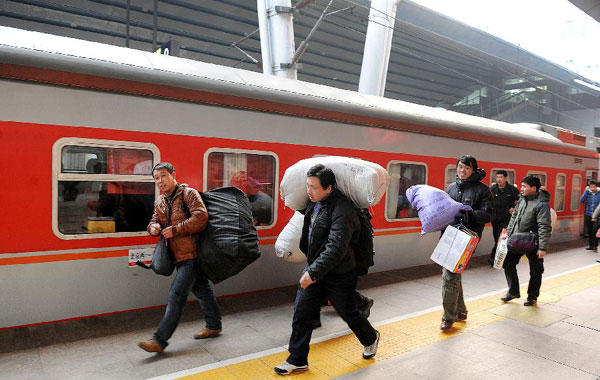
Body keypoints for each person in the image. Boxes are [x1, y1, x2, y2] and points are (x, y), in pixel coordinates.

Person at [274, 164, 380, 375]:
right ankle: (297, 359)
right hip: (315, 267)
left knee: (348, 312)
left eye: (313, 187)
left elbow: (336, 247)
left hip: (339, 273)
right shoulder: (314, 204)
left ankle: (370, 337)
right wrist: (312, 268)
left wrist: (312, 273)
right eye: (307, 186)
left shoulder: (343, 210)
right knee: (302, 313)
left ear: (328, 188)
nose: (308, 191)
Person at [138, 162, 222, 353]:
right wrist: (153, 228)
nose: (160, 181)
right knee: (201, 289)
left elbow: (201, 217)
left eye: (163, 176)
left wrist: (176, 229)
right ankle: (214, 324)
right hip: (175, 255)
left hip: (192, 254)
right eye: (156, 178)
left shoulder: (189, 194)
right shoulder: (159, 201)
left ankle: (159, 340)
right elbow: (154, 220)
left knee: (176, 295)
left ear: (173, 175)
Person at [441, 155, 494, 331]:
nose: (462, 171)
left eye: (466, 168)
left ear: (474, 170)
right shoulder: (450, 188)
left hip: (468, 237)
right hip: (450, 235)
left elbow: (489, 214)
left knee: (449, 275)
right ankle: (461, 311)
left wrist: (471, 215)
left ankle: (449, 317)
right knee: (453, 274)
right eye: (460, 167)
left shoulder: (482, 190)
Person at [500, 175, 552, 306]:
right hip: (517, 239)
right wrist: (508, 233)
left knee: (535, 270)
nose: (521, 189)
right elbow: (514, 217)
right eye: (521, 186)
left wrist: (542, 248)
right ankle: (513, 291)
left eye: (524, 186)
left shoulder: (541, 204)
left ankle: (532, 297)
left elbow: (544, 226)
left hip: (533, 243)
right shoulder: (522, 200)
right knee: (508, 264)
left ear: (533, 188)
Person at [489, 170, 519, 265]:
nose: (499, 179)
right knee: (496, 238)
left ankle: (495, 258)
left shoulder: (512, 190)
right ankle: (498, 257)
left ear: (506, 178)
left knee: (500, 237)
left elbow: (521, 200)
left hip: (506, 219)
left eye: (501, 177)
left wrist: (514, 208)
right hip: (495, 219)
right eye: (497, 177)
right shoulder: (493, 189)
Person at [581, 181, 600, 251]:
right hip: (588, 214)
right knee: (590, 231)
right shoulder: (588, 193)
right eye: (591, 187)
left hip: (597, 216)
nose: (592, 188)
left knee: (595, 230)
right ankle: (591, 245)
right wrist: (586, 191)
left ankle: (595, 245)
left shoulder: (599, 193)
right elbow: (582, 200)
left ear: (596, 186)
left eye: (593, 187)